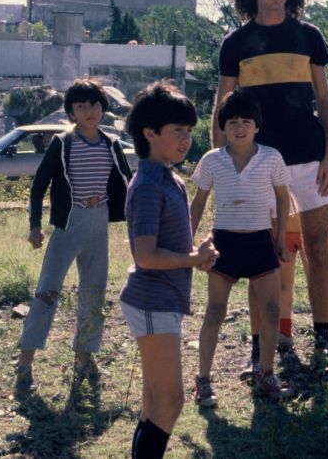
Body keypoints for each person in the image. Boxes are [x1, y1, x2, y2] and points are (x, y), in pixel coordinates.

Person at [214, 0, 328, 369]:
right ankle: (261, 347)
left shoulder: (309, 37)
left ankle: (322, 339)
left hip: (309, 158)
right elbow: (222, 105)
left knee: (318, 249)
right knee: (264, 256)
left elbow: (325, 103)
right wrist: (221, 164)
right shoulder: (235, 43)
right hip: (257, 164)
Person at [15, 78, 133, 396]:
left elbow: (128, 182)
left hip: (99, 225)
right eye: (80, 106)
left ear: (103, 108)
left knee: (93, 294)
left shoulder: (110, 143)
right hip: (69, 224)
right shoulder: (63, 143)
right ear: (71, 112)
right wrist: (35, 226)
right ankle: (25, 365)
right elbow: (39, 185)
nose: (89, 111)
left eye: (94, 104)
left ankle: (84, 361)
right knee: (47, 292)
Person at [119, 82, 218, 459]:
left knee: (153, 402)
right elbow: (145, 256)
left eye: (190, 131)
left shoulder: (169, 178)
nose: (186, 139)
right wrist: (193, 260)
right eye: (178, 130)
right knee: (171, 401)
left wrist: (198, 253)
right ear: (150, 133)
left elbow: (168, 247)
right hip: (151, 300)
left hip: (162, 299)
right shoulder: (147, 184)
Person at [189, 88, 292, 405]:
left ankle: (266, 372)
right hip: (224, 244)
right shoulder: (212, 160)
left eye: (246, 121)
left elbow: (282, 198)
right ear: (222, 127)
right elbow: (198, 202)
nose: (239, 128)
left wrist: (279, 239)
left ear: (257, 126)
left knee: (272, 309)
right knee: (215, 311)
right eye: (232, 122)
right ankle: (203, 380)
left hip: (260, 240)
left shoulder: (272, 157)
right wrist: (187, 245)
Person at [277, 203, 328, 353]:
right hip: (283, 229)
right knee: (284, 284)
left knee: (320, 280)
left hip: (312, 228)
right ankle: (284, 332)